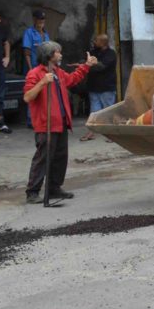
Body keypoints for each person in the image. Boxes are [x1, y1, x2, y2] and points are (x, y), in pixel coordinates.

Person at [23, 41, 97, 203]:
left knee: (60, 158)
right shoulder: (35, 74)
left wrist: (86, 66)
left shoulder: (58, 72)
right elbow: (28, 97)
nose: (61, 55)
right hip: (46, 124)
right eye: (58, 52)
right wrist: (42, 82)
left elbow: (72, 80)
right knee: (43, 159)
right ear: (49, 55)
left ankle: (54, 188)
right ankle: (32, 192)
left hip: (61, 122)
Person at [81, 33, 118, 141]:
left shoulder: (111, 54)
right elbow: (84, 61)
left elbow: (100, 67)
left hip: (107, 87)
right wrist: (85, 63)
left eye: (96, 40)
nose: (94, 42)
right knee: (94, 112)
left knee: (108, 111)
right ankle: (91, 132)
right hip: (94, 87)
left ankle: (112, 134)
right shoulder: (93, 52)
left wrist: (90, 64)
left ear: (103, 43)